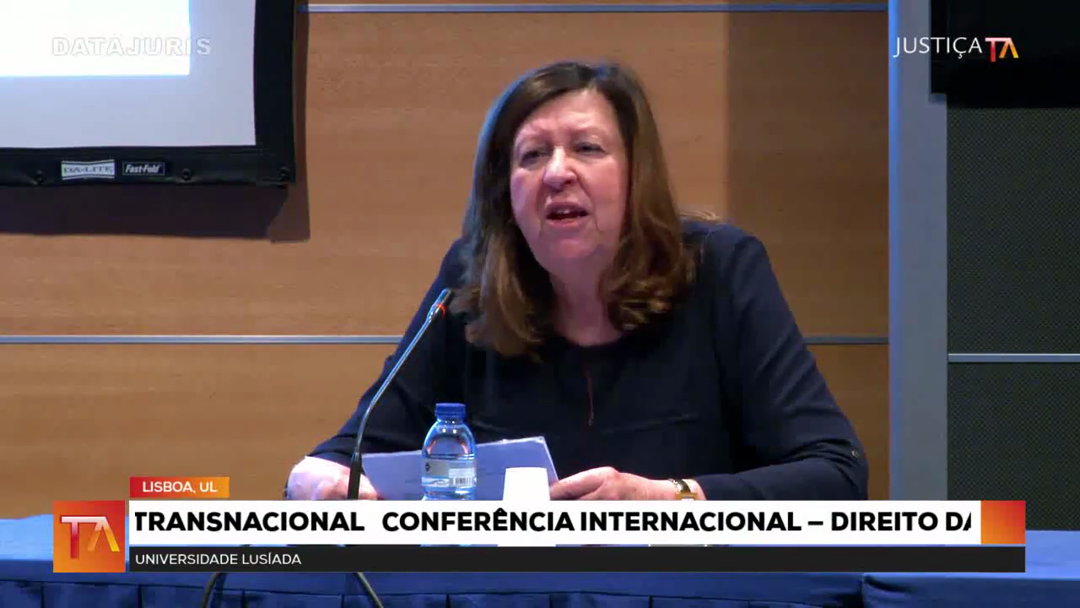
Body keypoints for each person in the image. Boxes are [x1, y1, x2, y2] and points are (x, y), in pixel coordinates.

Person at [286, 60, 868, 502]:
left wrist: (675, 499)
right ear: (505, 193)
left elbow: (836, 472)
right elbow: (348, 454)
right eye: (532, 156)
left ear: (636, 177)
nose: (557, 173)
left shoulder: (719, 269)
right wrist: (313, 480)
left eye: (587, 148)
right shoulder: (470, 284)